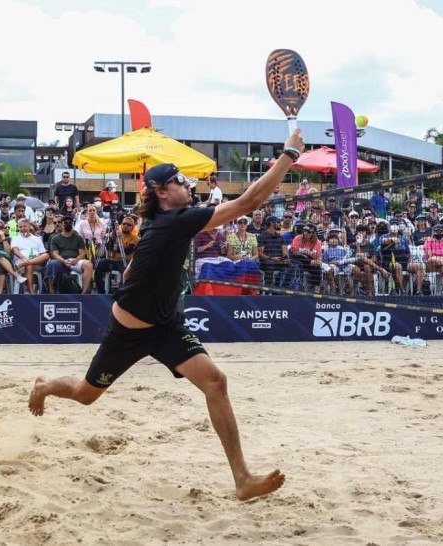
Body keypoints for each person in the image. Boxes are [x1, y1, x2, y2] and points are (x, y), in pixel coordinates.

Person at [28, 129, 305, 502]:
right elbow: (248, 202)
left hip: (165, 326)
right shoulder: (176, 220)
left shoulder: (164, 224)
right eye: (179, 181)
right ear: (162, 192)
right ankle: (44, 387)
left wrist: (145, 280)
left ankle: (243, 479)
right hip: (127, 332)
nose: (187, 184)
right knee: (85, 394)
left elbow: (131, 272)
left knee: (215, 382)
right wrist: (288, 153)